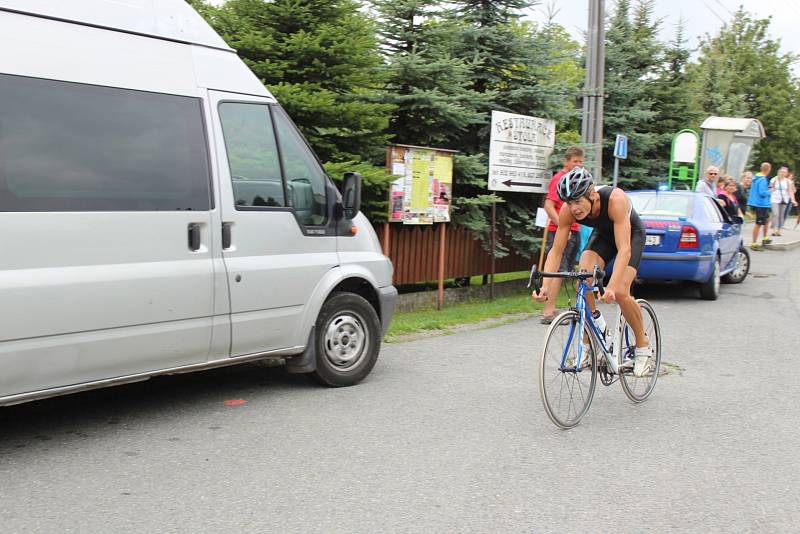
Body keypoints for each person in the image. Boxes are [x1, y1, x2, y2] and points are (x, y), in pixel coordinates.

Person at [532, 167, 652, 378]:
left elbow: (624, 250)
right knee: (583, 278)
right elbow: (556, 251)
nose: (574, 208)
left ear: (592, 195)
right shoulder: (568, 211)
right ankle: (591, 339)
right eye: (569, 202)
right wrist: (545, 287)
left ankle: (643, 348)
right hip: (604, 236)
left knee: (622, 292)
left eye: (578, 201)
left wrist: (612, 287)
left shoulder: (615, 200)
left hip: (630, 236)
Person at [539, 146, 584, 324]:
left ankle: (553, 307)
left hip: (575, 230)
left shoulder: (578, 179)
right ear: (566, 161)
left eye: (580, 161)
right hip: (559, 231)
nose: (578, 165)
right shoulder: (559, 179)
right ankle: (548, 312)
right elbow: (549, 206)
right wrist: (561, 227)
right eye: (575, 161)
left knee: (566, 270)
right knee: (558, 270)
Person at [747, 162, 772, 249]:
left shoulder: (756, 178)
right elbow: (762, 193)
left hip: (761, 203)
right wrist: (770, 191)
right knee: (758, 223)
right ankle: (754, 243)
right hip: (761, 204)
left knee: (768, 220)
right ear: (768, 169)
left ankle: (765, 238)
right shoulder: (762, 179)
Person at [768, 166, 793, 236]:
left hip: (784, 199)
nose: (783, 173)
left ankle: (779, 230)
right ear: (779, 172)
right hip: (774, 199)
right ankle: (774, 230)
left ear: (786, 173)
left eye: (785, 172)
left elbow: (790, 191)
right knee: (775, 214)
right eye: (782, 172)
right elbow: (769, 187)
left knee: (781, 215)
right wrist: (770, 189)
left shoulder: (788, 181)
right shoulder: (774, 179)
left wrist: (793, 200)